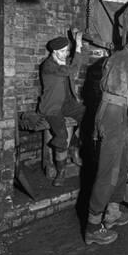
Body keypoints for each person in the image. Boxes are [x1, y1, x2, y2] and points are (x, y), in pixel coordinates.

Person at [85, 29, 128, 245]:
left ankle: (112, 212)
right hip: (113, 115)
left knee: (121, 166)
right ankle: (92, 228)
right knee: (108, 173)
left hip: (113, 112)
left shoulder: (118, 56)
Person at [38, 30, 85, 186]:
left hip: (69, 103)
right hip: (52, 107)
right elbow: (74, 70)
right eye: (63, 52)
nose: (66, 54)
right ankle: (61, 171)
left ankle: (75, 148)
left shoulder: (64, 62)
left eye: (67, 51)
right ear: (54, 51)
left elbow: (74, 66)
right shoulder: (48, 66)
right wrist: (78, 45)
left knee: (89, 116)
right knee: (61, 135)